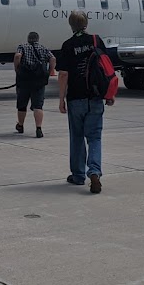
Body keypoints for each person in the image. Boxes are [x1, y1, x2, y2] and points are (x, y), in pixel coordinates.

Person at [57, 11, 114, 194]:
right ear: (86, 24)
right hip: (96, 97)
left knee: (77, 137)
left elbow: (63, 74)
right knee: (95, 137)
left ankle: (78, 175)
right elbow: (106, 69)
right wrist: (109, 94)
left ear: (70, 25)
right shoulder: (96, 41)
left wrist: (61, 99)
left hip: (76, 98)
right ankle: (95, 172)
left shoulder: (67, 45)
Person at [14, 31, 56, 138]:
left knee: (22, 104)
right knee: (38, 105)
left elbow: (18, 56)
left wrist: (17, 69)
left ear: (28, 38)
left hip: (24, 79)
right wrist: (50, 71)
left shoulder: (22, 46)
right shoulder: (43, 48)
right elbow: (53, 58)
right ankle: (38, 128)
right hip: (39, 80)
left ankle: (21, 125)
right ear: (37, 39)